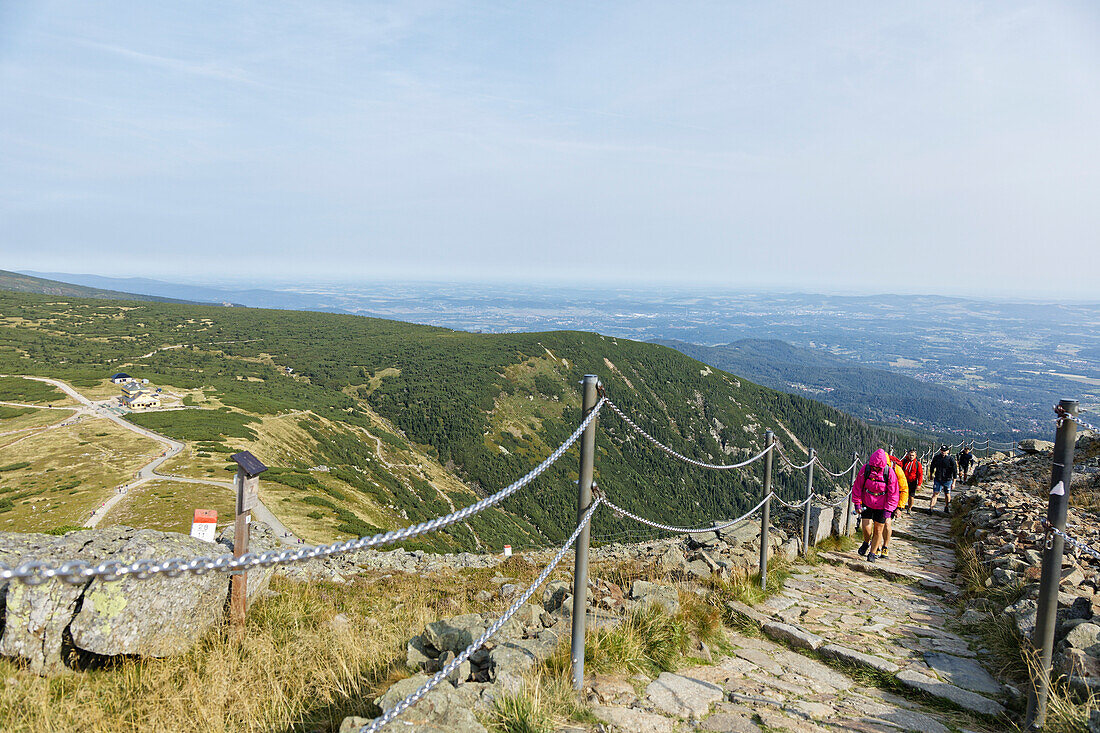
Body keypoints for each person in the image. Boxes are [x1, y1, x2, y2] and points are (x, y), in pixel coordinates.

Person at [852, 449, 900, 563]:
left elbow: (894, 493)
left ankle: (872, 553)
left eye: (877, 467)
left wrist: (889, 510)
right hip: (867, 502)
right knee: (866, 527)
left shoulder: (889, 473)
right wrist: (857, 503)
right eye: (874, 466)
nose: (875, 469)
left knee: (878, 530)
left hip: (882, 506)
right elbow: (858, 486)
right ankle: (866, 541)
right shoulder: (866, 469)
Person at [879, 454, 909, 559]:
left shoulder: (897, 469)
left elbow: (904, 489)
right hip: (877, 499)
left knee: (886, 523)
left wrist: (900, 507)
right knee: (878, 523)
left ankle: (885, 546)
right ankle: (876, 546)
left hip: (891, 501)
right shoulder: (875, 466)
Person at [930, 445, 958, 514]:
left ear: (948, 451)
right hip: (938, 478)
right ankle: (931, 508)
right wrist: (931, 474)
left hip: (947, 480)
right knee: (935, 493)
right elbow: (932, 466)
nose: (943, 452)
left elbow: (955, 471)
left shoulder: (951, 459)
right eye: (942, 450)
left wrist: (954, 482)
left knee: (947, 494)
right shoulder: (936, 458)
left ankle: (947, 506)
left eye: (945, 451)